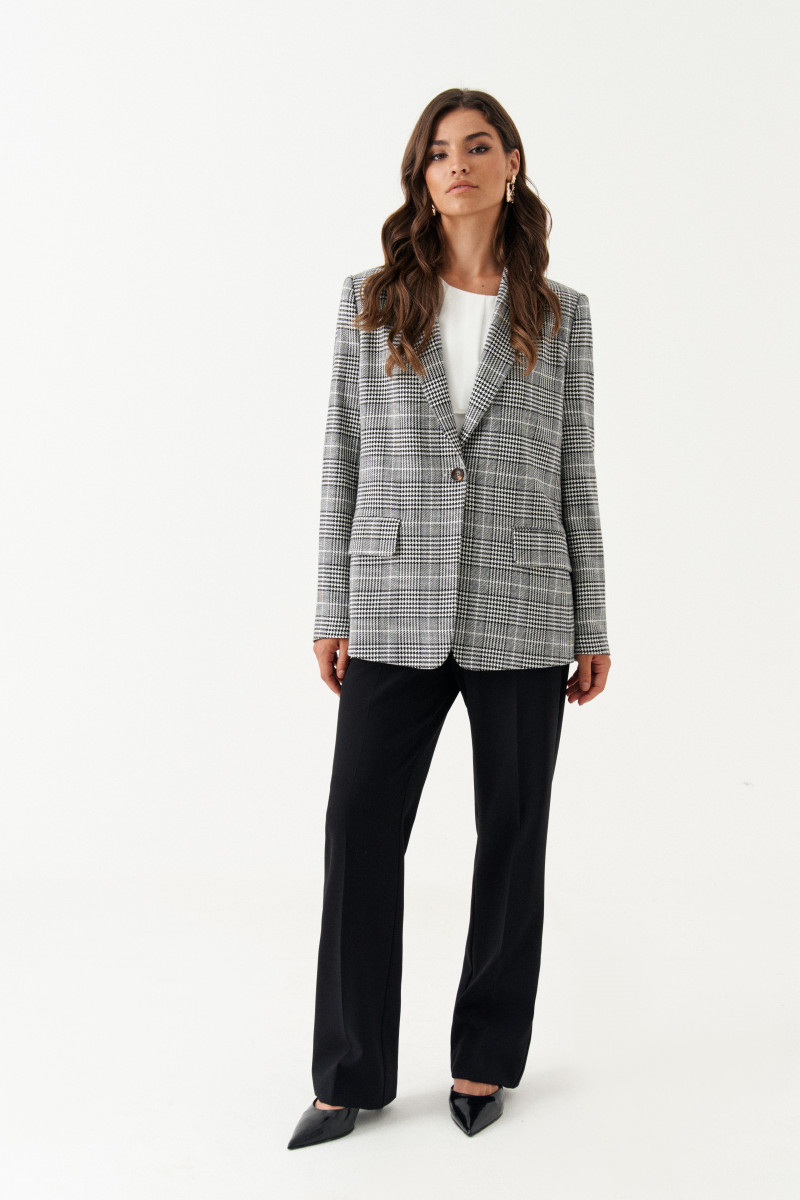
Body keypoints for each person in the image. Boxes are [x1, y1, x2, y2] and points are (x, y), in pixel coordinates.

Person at [288, 87, 611, 1149]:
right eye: (437, 151)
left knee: (512, 835)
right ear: (420, 175)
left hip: (525, 604)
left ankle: (484, 1061)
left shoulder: (559, 314)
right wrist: (331, 604)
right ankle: (348, 1075)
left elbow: (575, 474)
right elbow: (340, 459)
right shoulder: (371, 299)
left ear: (511, 163)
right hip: (391, 601)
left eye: (476, 147)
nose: (456, 164)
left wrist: (592, 622)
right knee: (358, 830)